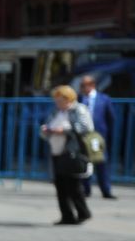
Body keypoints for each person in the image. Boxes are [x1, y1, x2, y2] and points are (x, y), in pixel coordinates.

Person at [40, 84, 95, 225]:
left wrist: (63, 130)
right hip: (56, 151)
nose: (58, 103)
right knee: (60, 185)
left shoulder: (79, 109)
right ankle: (67, 215)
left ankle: (83, 213)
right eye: (56, 100)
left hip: (72, 152)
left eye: (60, 100)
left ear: (68, 98)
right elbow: (47, 126)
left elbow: (86, 128)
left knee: (73, 184)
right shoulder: (55, 112)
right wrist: (46, 130)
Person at [77, 74, 115, 199]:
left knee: (101, 163)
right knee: (84, 163)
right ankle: (86, 190)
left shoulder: (104, 99)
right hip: (83, 136)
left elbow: (111, 118)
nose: (81, 88)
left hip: (98, 136)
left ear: (92, 85)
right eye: (81, 85)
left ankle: (106, 190)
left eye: (83, 85)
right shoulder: (78, 99)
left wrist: (107, 135)